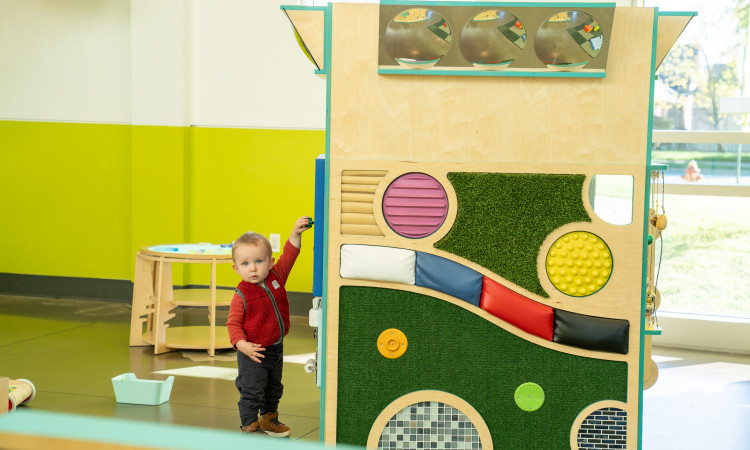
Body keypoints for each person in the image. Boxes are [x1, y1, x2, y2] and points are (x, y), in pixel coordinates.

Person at [227, 216, 312, 436]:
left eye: (259, 261)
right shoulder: (241, 294)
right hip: (253, 353)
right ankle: (249, 425)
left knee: (274, 389)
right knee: (252, 391)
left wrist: (295, 234)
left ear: (270, 262)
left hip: (275, 347)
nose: (253, 269)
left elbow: (290, 255)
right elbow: (233, 324)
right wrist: (241, 345)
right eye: (245, 264)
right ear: (236, 268)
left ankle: (269, 419)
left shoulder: (277, 277)